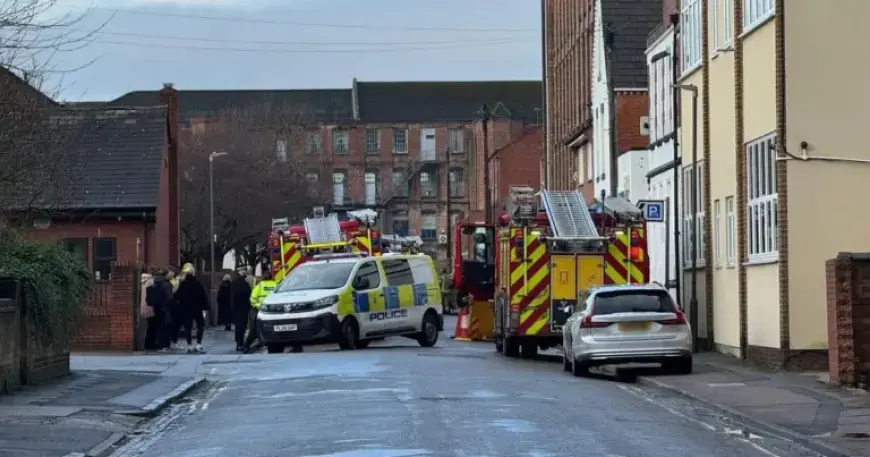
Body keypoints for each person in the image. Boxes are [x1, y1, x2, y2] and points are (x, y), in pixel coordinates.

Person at [175, 263, 210, 353]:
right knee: (200, 325)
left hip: (186, 309)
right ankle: (199, 344)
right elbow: (203, 296)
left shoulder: (182, 285)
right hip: (197, 308)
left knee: (188, 327)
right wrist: (205, 307)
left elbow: (177, 296)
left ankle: (189, 345)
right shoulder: (198, 284)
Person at [243, 269, 277, 353]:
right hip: (274, 311)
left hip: (261, 311)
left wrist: (258, 306)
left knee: (254, 329)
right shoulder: (276, 285)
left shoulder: (259, 286)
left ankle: (246, 346)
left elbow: (252, 299)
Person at [145, 268, 174, 352]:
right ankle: (164, 345)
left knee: (153, 327)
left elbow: (148, 299)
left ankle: (150, 344)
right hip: (164, 308)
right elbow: (169, 298)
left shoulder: (152, 284)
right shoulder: (166, 284)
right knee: (164, 327)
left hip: (154, 307)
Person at [231, 268, 253, 352]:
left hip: (236, 308)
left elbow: (232, 295)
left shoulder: (233, 283)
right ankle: (241, 342)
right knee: (243, 325)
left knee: (237, 325)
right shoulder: (245, 284)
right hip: (244, 308)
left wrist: (232, 306)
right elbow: (249, 294)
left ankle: (238, 342)